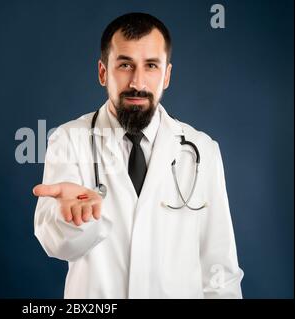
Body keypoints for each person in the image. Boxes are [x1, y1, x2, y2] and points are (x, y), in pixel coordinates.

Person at [33, 12, 243, 299]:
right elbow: (55, 243)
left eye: (151, 66)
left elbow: (220, 269)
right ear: (103, 72)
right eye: (125, 65)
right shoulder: (68, 140)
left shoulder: (202, 149)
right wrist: (73, 218)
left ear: (166, 75)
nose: (137, 82)